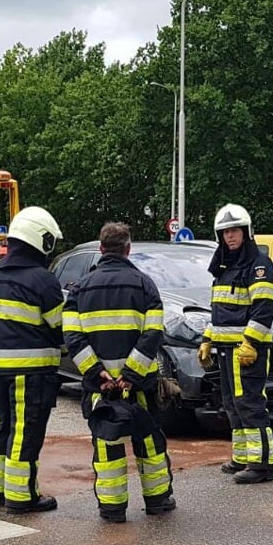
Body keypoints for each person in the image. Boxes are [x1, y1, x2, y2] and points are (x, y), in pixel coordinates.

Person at [64, 222, 175, 523]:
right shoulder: (145, 285)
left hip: (101, 389)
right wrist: (131, 374)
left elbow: (73, 338)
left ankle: (113, 509)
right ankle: (158, 502)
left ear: (101, 249)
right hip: (139, 386)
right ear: (128, 249)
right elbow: (153, 334)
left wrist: (98, 372)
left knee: (107, 444)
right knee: (150, 442)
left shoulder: (79, 289)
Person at [0, 206, 65, 514]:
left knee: (2, 428)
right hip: (33, 374)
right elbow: (60, 329)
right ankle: (22, 496)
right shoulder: (43, 280)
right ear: (38, 239)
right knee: (26, 433)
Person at [200, 204, 273, 484]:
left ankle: (263, 464)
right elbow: (220, 310)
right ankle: (243, 457)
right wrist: (207, 338)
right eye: (225, 232)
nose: (230, 236)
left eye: (234, 231)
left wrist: (250, 342)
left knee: (250, 404)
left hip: (247, 350)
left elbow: (265, 308)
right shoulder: (224, 266)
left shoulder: (258, 265)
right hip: (225, 349)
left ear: (246, 231)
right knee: (232, 405)